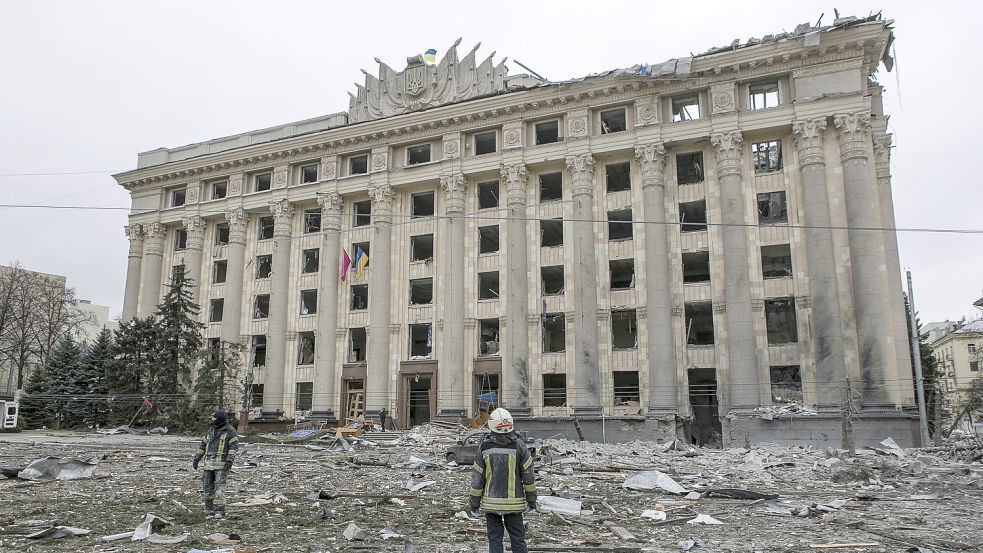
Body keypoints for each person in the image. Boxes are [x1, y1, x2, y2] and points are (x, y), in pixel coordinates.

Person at [468, 408, 536, 553]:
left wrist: (474, 503)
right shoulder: (520, 446)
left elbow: (477, 479)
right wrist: (532, 500)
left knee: (495, 541)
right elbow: (529, 477)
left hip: (491, 504)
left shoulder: (484, 448)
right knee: (518, 540)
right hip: (514, 505)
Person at [192, 410, 238, 518]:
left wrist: (229, 461)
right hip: (208, 465)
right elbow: (203, 445)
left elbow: (233, 447)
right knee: (207, 487)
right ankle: (208, 509)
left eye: (213, 417)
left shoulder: (230, 431)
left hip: (221, 466)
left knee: (219, 489)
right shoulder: (210, 430)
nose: (211, 419)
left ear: (219, 418)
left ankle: (219, 511)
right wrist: (196, 459)